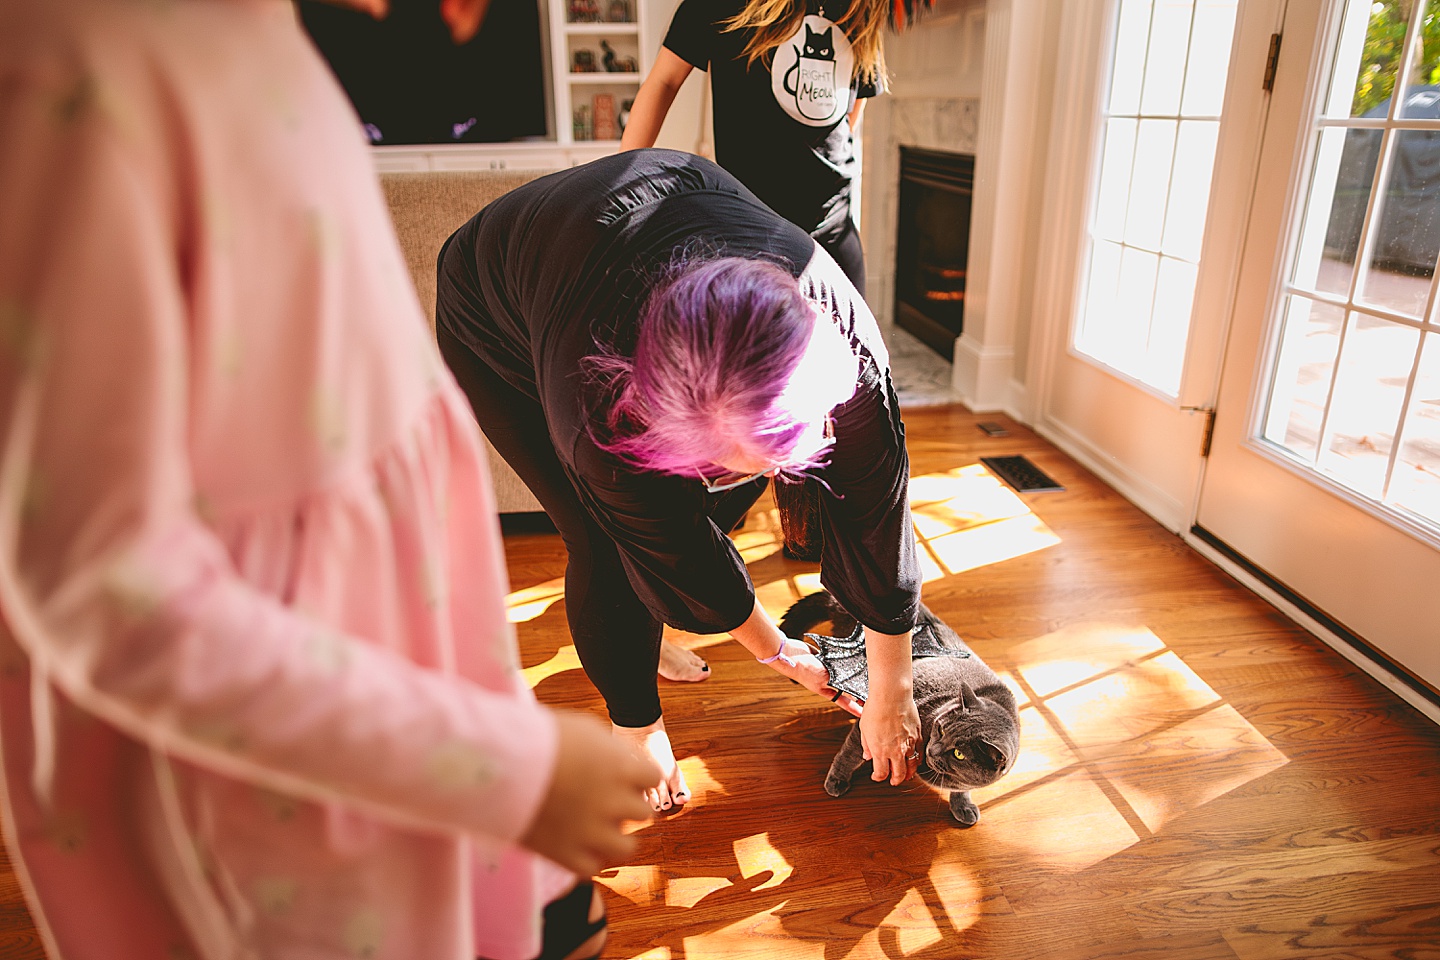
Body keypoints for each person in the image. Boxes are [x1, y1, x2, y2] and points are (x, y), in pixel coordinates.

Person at [0, 2, 655, 960]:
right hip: (283, 785)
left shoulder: (260, 35)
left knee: (554, 928)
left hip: (416, 713)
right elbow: (107, 590)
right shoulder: (72, 77)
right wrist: (502, 768)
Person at [435, 148, 924, 814]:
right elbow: (675, 543)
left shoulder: (849, 344)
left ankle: (657, 608)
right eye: (720, 463)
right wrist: (779, 654)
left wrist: (893, 690)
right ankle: (635, 725)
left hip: (666, 205)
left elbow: (878, 514)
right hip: (496, 306)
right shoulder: (596, 417)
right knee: (605, 542)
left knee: (716, 511)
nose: (764, 477)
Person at [619, 0, 891, 297]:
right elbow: (664, 81)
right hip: (751, 230)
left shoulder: (861, 6)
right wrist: (617, 188)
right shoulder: (723, 6)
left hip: (835, 229)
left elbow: (854, 98)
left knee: (850, 343)